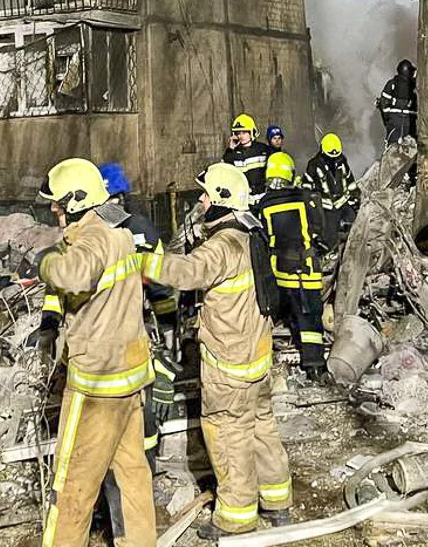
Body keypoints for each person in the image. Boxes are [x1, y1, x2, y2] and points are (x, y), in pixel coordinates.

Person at [146, 165, 292, 538]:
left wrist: (140, 260)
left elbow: (186, 273)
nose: (201, 200)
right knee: (262, 427)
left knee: (229, 434)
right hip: (257, 358)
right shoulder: (251, 234)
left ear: (222, 201)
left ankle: (236, 517)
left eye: (206, 194)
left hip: (229, 364)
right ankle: (277, 501)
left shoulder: (223, 245)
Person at [35, 158, 156, 547]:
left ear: (75, 202)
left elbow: (73, 276)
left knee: (72, 486)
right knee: (133, 475)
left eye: (57, 204)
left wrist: (46, 262)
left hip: (96, 388)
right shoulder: (120, 234)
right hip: (129, 379)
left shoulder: (93, 239)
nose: (53, 211)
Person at [97, 163, 178, 470]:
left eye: (112, 199)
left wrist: (168, 329)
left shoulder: (131, 229)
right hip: (113, 329)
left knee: (139, 402)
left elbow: (158, 284)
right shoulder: (106, 231)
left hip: (132, 326)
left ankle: (143, 465)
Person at [259, 151, 326, 379]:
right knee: (310, 318)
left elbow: (263, 237)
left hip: (279, 271)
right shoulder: (304, 197)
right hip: (306, 270)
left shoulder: (264, 204)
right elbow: (319, 230)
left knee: (280, 315)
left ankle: (271, 360)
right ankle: (314, 365)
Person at [305, 133, 360, 248]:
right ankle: (329, 254)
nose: (333, 159)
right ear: (323, 152)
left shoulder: (341, 161)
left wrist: (356, 199)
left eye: (336, 156)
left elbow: (350, 181)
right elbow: (306, 187)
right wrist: (313, 207)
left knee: (356, 229)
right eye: (330, 157)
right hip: (327, 208)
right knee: (330, 239)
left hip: (343, 203)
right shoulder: (314, 165)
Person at [223, 114, 271, 200]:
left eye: (244, 132)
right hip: (244, 199)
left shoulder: (263, 149)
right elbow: (225, 169)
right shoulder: (232, 153)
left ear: (252, 132)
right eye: (238, 133)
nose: (241, 136)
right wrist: (230, 149)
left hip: (264, 197)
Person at [377, 61, 418, 145]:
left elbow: (384, 103)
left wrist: (386, 118)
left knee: (393, 145)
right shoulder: (415, 85)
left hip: (394, 121)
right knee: (410, 146)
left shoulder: (392, 84)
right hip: (409, 122)